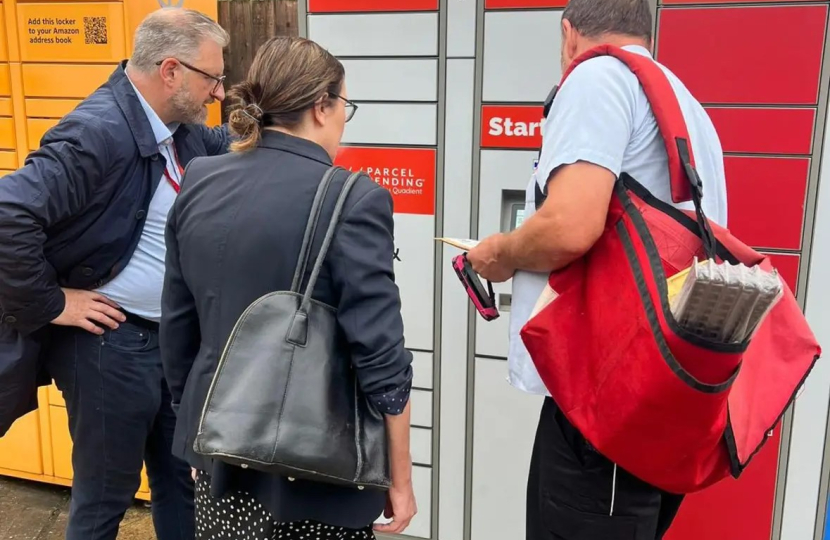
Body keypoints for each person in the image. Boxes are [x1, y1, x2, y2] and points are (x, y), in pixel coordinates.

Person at [466, 0, 728, 538]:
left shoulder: (597, 77)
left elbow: (568, 225)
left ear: (568, 34)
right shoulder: (686, 105)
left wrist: (501, 253)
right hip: (663, 398)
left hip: (606, 399)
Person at [159, 36, 417, 540]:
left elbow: (179, 326)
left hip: (222, 459)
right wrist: (400, 480)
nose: (344, 118)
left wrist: (194, 439)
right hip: (320, 473)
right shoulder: (353, 198)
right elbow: (382, 360)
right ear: (322, 106)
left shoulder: (200, 179)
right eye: (345, 105)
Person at [0, 8, 231, 540]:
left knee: (182, 482)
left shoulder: (180, 131)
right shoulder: (96, 132)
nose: (218, 93)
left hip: (172, 346)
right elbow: (9, 214)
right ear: (171, 70)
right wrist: (53, 303)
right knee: (106, 495)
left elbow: (227, 151)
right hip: (108, 347)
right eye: (212, 78)